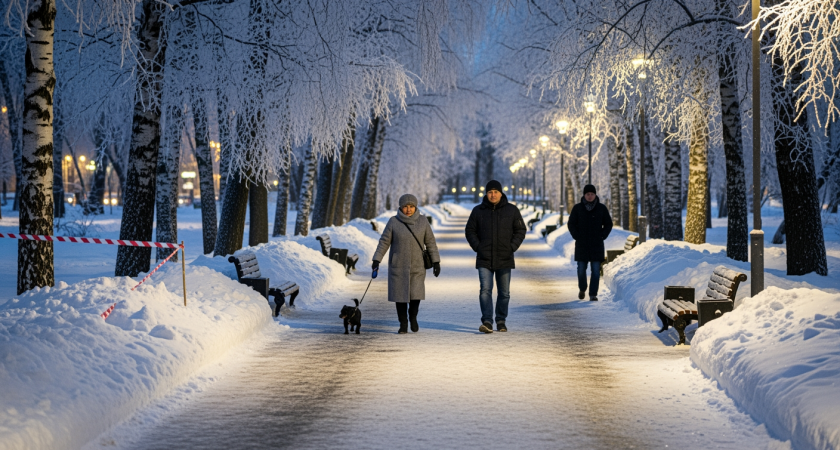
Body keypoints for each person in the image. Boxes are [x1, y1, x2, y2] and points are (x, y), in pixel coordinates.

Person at [372, 194, 441, 334]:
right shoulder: (393, 222)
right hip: (399, 265)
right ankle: (403, 323)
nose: (408, 210)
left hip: (418, 265)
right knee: (400, 296)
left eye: (411, 206)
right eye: (405, 207)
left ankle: (413, 317)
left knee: (416, 295)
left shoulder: (423, 221)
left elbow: (430, 242)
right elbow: (384, 242)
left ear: (415, 207)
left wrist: (436, 261)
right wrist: (376, 260)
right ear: (400, 207)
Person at [465, 180, 527, 333]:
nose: (493, 195)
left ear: (501, 193)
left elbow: (520, 230)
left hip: (505, 257)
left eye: (496, 192)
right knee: (485, 289)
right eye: (490, 192)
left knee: (504, 292)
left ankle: (501, 320)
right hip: (484, 258)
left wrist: (512, 247)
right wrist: (478, 247)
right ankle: (487, 321)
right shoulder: (478, 211)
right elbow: (470, 230)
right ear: (486, 193)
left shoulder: (511, 210)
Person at [567, 184, 613, 301]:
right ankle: (582, 288)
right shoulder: (577, 208)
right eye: (588, 194)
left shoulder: (601, 208)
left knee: (596, 271)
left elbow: (608, 224)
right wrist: (576, 235)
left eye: (592, 194)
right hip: (582, 245)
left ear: (595, 194)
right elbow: (571, 223)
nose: (590, 196)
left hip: (596, 245)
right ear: (584, 195)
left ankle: (593, 294)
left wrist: (602, 235)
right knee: (581, 270)